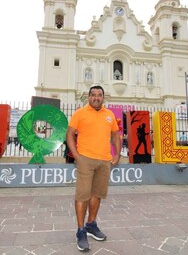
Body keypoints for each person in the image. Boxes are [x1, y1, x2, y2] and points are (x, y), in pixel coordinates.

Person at [66, 85, 121, 252]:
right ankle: (80, 231)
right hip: (85, 160)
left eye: (99, 95)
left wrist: (117, 154)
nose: (96, 97)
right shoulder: (80, 113)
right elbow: (69, 134)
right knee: (82, 195)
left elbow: (116, 135)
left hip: (104, 161)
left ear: (103, 97)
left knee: (97, 195)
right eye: (93, 95)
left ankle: (91, 224)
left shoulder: (110, 115)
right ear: (88, 97)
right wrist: (76, 156)